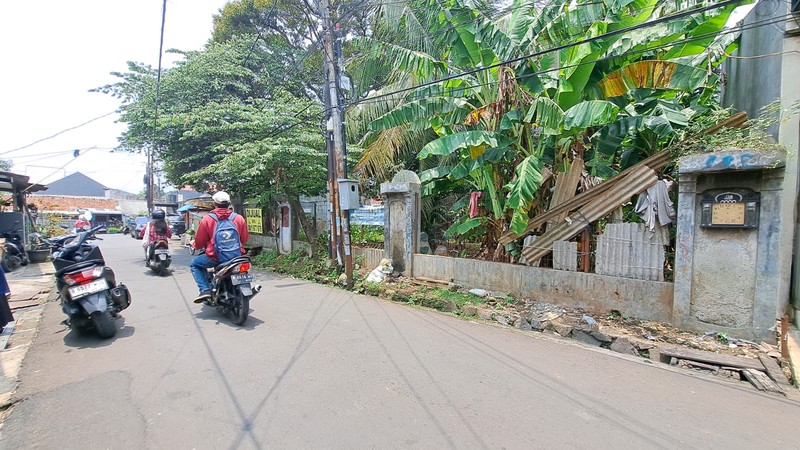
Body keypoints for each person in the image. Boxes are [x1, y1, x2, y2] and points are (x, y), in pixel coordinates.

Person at [189, 191, 249, 303]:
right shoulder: (239, 218)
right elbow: (244, 239)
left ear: (214, 203)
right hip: (236, 256)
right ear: (229, 203)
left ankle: (205, 290)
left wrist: (195, 245)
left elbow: (200, 242)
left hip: (215, 257)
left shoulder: (207, 219)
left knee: (194, 264)